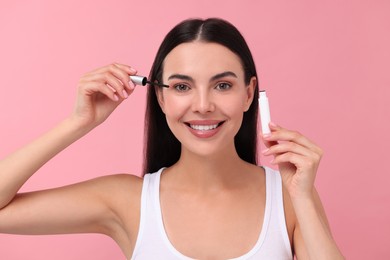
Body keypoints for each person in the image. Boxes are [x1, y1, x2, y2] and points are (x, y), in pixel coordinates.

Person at [0, 18, 344, 259]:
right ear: (161, 97)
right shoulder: (126, 201)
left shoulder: (290, 197)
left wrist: (302, 198)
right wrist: (78, 122)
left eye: (222, 85)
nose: (204, 105)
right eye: (182, 87)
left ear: (249, 93)